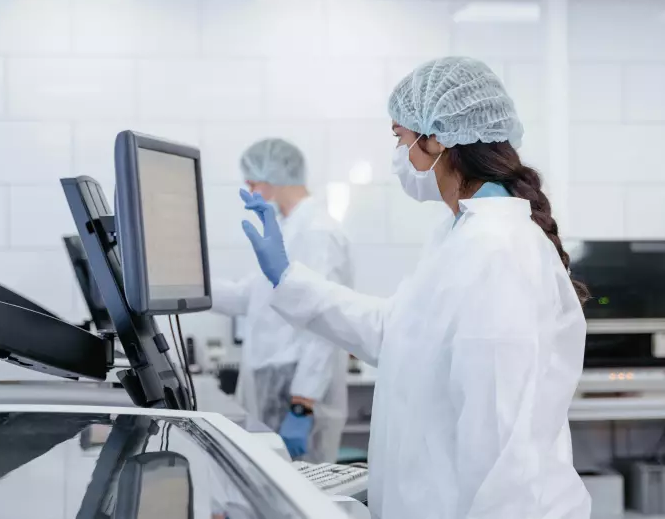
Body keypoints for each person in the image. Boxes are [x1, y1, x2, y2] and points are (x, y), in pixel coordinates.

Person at [238, 57, 591, 519]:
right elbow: (395, 332)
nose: (398, 155)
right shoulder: (459, 236)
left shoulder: (499, 250)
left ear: (437, 139)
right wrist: (287, 279)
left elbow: (506, 449)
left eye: (400, 138)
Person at [210, 138, 351, 463]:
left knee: (301, 502)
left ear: (272, 176)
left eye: (253, 183)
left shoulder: (317, 232)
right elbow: (248, 297)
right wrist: (189, 286)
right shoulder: (287, 230)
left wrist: (302, 404)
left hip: (297, 393)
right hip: (275, 385)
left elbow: (324, 321)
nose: (250, 192)